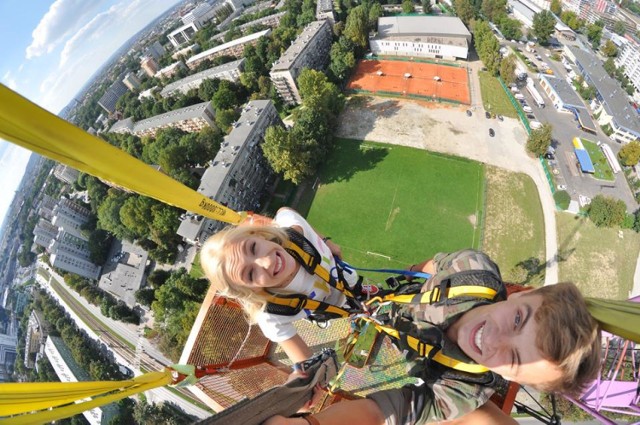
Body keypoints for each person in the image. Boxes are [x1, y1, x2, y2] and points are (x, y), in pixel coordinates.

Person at [263, 249, 602, 425]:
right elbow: (432, 264)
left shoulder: (461, 388)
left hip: (401, 337)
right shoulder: (474, 271)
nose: (495, 338)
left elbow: (386, 414)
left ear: (510, 377)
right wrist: (419, 275)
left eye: (514, 358)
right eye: (517, 319)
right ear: (517, 297)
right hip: (402, 301)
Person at [200, 207, 365, 363]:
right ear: (250, 291)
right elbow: (304, 362)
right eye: (250, 274)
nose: (267, 262)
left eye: (253, 247)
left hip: (350, 283)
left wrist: (325, 241)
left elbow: (285, 211)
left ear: (259, 235)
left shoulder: (294, 232)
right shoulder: (272, 314)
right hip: (338, 310)